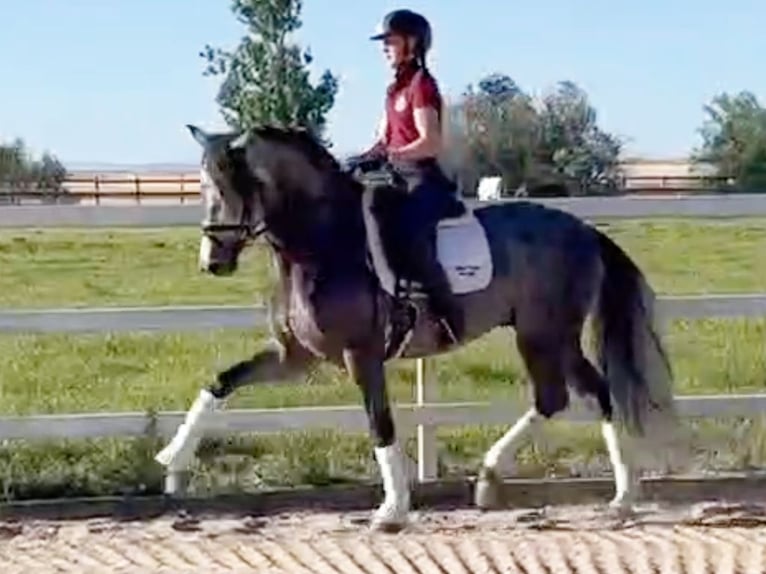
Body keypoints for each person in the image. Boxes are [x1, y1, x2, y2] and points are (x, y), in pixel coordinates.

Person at [352, 8, 465, 346]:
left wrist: (392, 155)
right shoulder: (393, 90)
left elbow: (430, 141)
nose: (384, 47)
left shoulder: (421, 86)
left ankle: (444, 311)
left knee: (410, 230)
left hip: (423, 181)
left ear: (411, 42)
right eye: (384, 42)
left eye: (390, 40)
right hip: (397, 178)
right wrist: (358, 160)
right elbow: (384, 142)